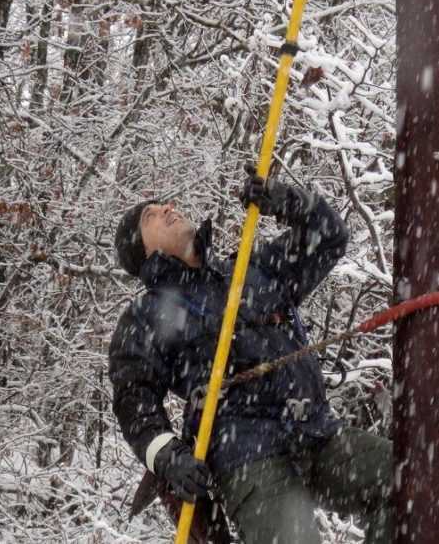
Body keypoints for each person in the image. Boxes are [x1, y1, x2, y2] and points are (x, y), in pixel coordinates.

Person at [109, 167, 391, 543]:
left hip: (317, 434)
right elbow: (133, 401)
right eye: (151, 215)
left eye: (164, 204)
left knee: (408, 480)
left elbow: (330, 237)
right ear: (143, 251)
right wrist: (166, 455)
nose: (167, 208)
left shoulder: (251, 269)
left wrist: (289, 202)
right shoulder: (145, 316)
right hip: (248, 459)